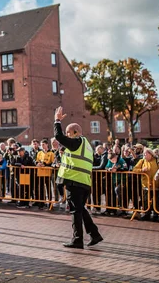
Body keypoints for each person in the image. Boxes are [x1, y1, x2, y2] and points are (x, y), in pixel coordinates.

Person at [54, 106, 103, 249]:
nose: (66, 135)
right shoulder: (86, 144)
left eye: (68, 133)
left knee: (75, 211)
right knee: (81, 209)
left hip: (74, 181)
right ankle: (94, 234)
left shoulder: (76, 142)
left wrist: (57, 120)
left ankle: (77, 239)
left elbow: (59, 136)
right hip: (84, 182)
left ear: (75, 132)